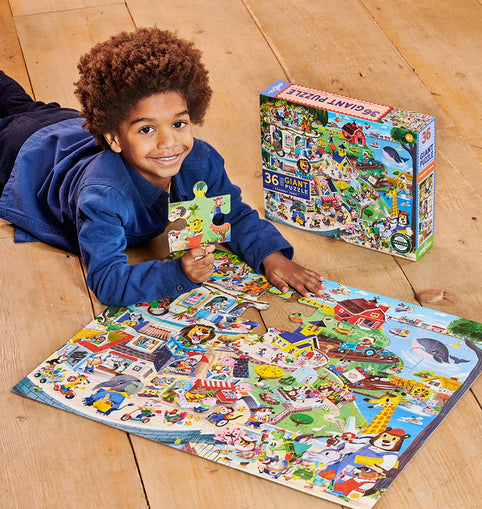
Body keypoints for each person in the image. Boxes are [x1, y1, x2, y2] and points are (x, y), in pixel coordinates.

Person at [0, 27, 325, 306]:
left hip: (64, 126)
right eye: (147, 129)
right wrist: (178, 273)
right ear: (114, 138)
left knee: (18, 101)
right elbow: (107, 280)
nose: (169, 142)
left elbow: (231, 214)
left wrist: (272, 256)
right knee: (16, 116)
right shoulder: (103, 195)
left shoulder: (199, 160)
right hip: (21, 155)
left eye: (179, 124)